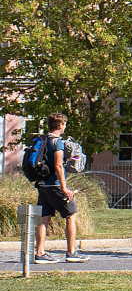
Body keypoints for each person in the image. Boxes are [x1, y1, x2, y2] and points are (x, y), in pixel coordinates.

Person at [32, 113, 84, 264]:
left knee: (44, 218)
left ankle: (40, 253)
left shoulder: (43, 140)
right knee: (71, 214)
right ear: (60, 125)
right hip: (55, 185)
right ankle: (71, 252)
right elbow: (58, 166)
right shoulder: (57, 142)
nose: (65, 127)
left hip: (42, 185)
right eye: (65, 124)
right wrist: (64, 188)